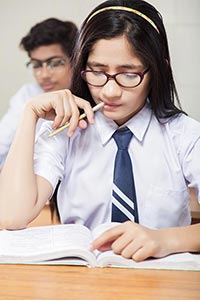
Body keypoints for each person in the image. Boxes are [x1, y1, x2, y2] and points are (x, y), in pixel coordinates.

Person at [0, 0, 200, 263]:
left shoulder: (184, 134)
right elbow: (10, 216)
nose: (110, 91)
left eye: (129, 74)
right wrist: (31, 116)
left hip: (160, 278)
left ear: (158, 69)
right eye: (97, 72)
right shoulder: (66, 131)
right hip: (82, 279)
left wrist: (166, 240)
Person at [0, 18, 78, 168]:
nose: (44, 75)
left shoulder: (94, 96)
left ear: (76, 60)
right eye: (36, 65)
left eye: (55, 63)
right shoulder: (28, 95)